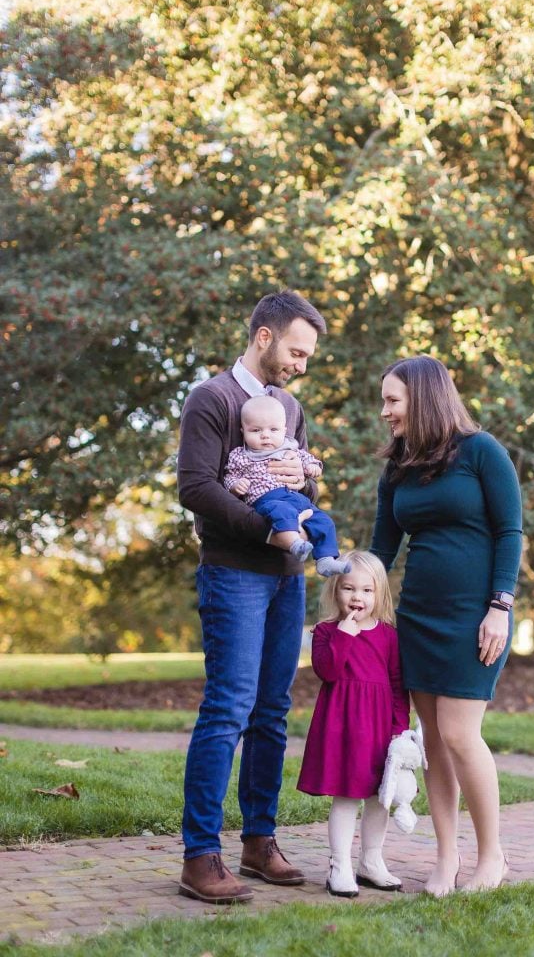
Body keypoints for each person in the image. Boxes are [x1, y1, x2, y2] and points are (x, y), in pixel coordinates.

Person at [176, 289, 326, 904]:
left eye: (308, 355)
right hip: (234, 572)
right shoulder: (211, 399)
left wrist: (304, 485)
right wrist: (266, 526)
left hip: (287, 578)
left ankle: (259, 841)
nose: (301, 364)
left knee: (271, 711)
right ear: (264, 337)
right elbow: (197, 488)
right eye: (296, 350)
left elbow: (299, 479)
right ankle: (199, 855)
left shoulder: (289, 406)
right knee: (229, 708)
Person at [370, 356, 522, 895]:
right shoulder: (399, 468)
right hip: (417, 617)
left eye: (393, 400)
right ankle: (446, 858)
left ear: (424, 397)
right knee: (433, 739)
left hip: (475, 617)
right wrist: (351, 585)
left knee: (460, 734)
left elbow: (510, 533)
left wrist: (499, 607)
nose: (385, 411)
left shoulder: (481, 452)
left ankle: (492, 856)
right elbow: (381, 549)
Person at [297, 550, 410, 898]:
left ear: (379, 594)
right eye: (348, 589)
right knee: (347, 797)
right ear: (335, 591)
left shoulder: (389, 635)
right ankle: (340, 865)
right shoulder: (327, 632)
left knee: (380, 797)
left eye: (366, 590)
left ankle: (371, 861)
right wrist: (345, 635)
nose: (357, 598)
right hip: (342, 725)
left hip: (378, 728)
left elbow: (396, 684)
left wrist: (399, 730)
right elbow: (327, 671)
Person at [224, 395, 351, 577]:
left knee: (323, 520)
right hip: (266, 499)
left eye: (273, 429)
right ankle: (295, 544)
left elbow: (309, 460)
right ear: (243, 431)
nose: (265, 435)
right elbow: (230, 475)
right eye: (256, 430)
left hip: (297, 499)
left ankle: (326, 560)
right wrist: (235, 485)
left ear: (284, 431)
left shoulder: (290, 449)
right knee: (282, 512)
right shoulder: (241, 455)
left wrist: (312, 467)